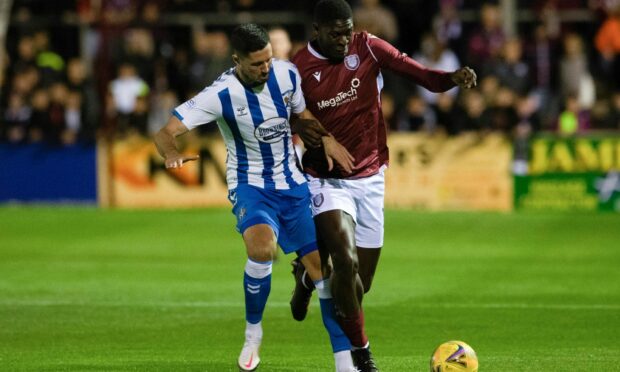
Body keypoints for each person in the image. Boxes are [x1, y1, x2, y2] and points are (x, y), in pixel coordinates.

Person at [153, 24, 359, 372]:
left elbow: (303, 116)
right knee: (262, 248)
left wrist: (324, 139)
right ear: (237, 61)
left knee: (325, 272)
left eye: (268, 60)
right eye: (257, 64)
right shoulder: (220, 94)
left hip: (293, 186)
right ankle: (253, 333)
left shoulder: (287, 74)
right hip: (251, 186)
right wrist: (171, 153)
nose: (266, 68)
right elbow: (166, 131)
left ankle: (343, 363)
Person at [288, 1, 477, 371]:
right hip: (324, 178)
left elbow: (421, 75)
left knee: (359, 287)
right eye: (335, 33)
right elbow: (289, 119)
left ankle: (309, 277)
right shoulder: (298, 68)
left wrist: (452, 78)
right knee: (345, 260)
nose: (344, 39)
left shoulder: (368, 47)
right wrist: (320, 138)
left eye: (348, 30)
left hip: (370, 175)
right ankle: (362, 353)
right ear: (317, 32)